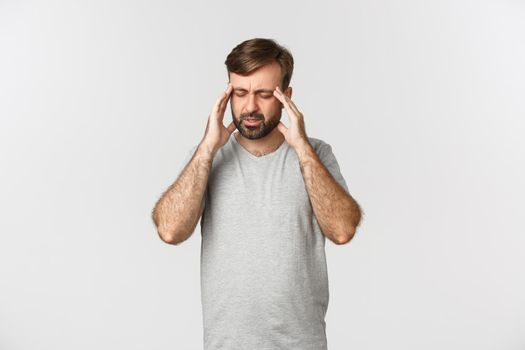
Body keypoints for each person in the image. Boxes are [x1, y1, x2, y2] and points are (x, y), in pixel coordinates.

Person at [151, 38, 362, 350]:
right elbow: (169, 230)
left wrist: (302, 149)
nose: (249, 107)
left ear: (286, 96)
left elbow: (343, 230)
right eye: (240, 93)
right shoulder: (208, 158)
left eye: (264, 94)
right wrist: (207, 148)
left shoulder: (316, 154)